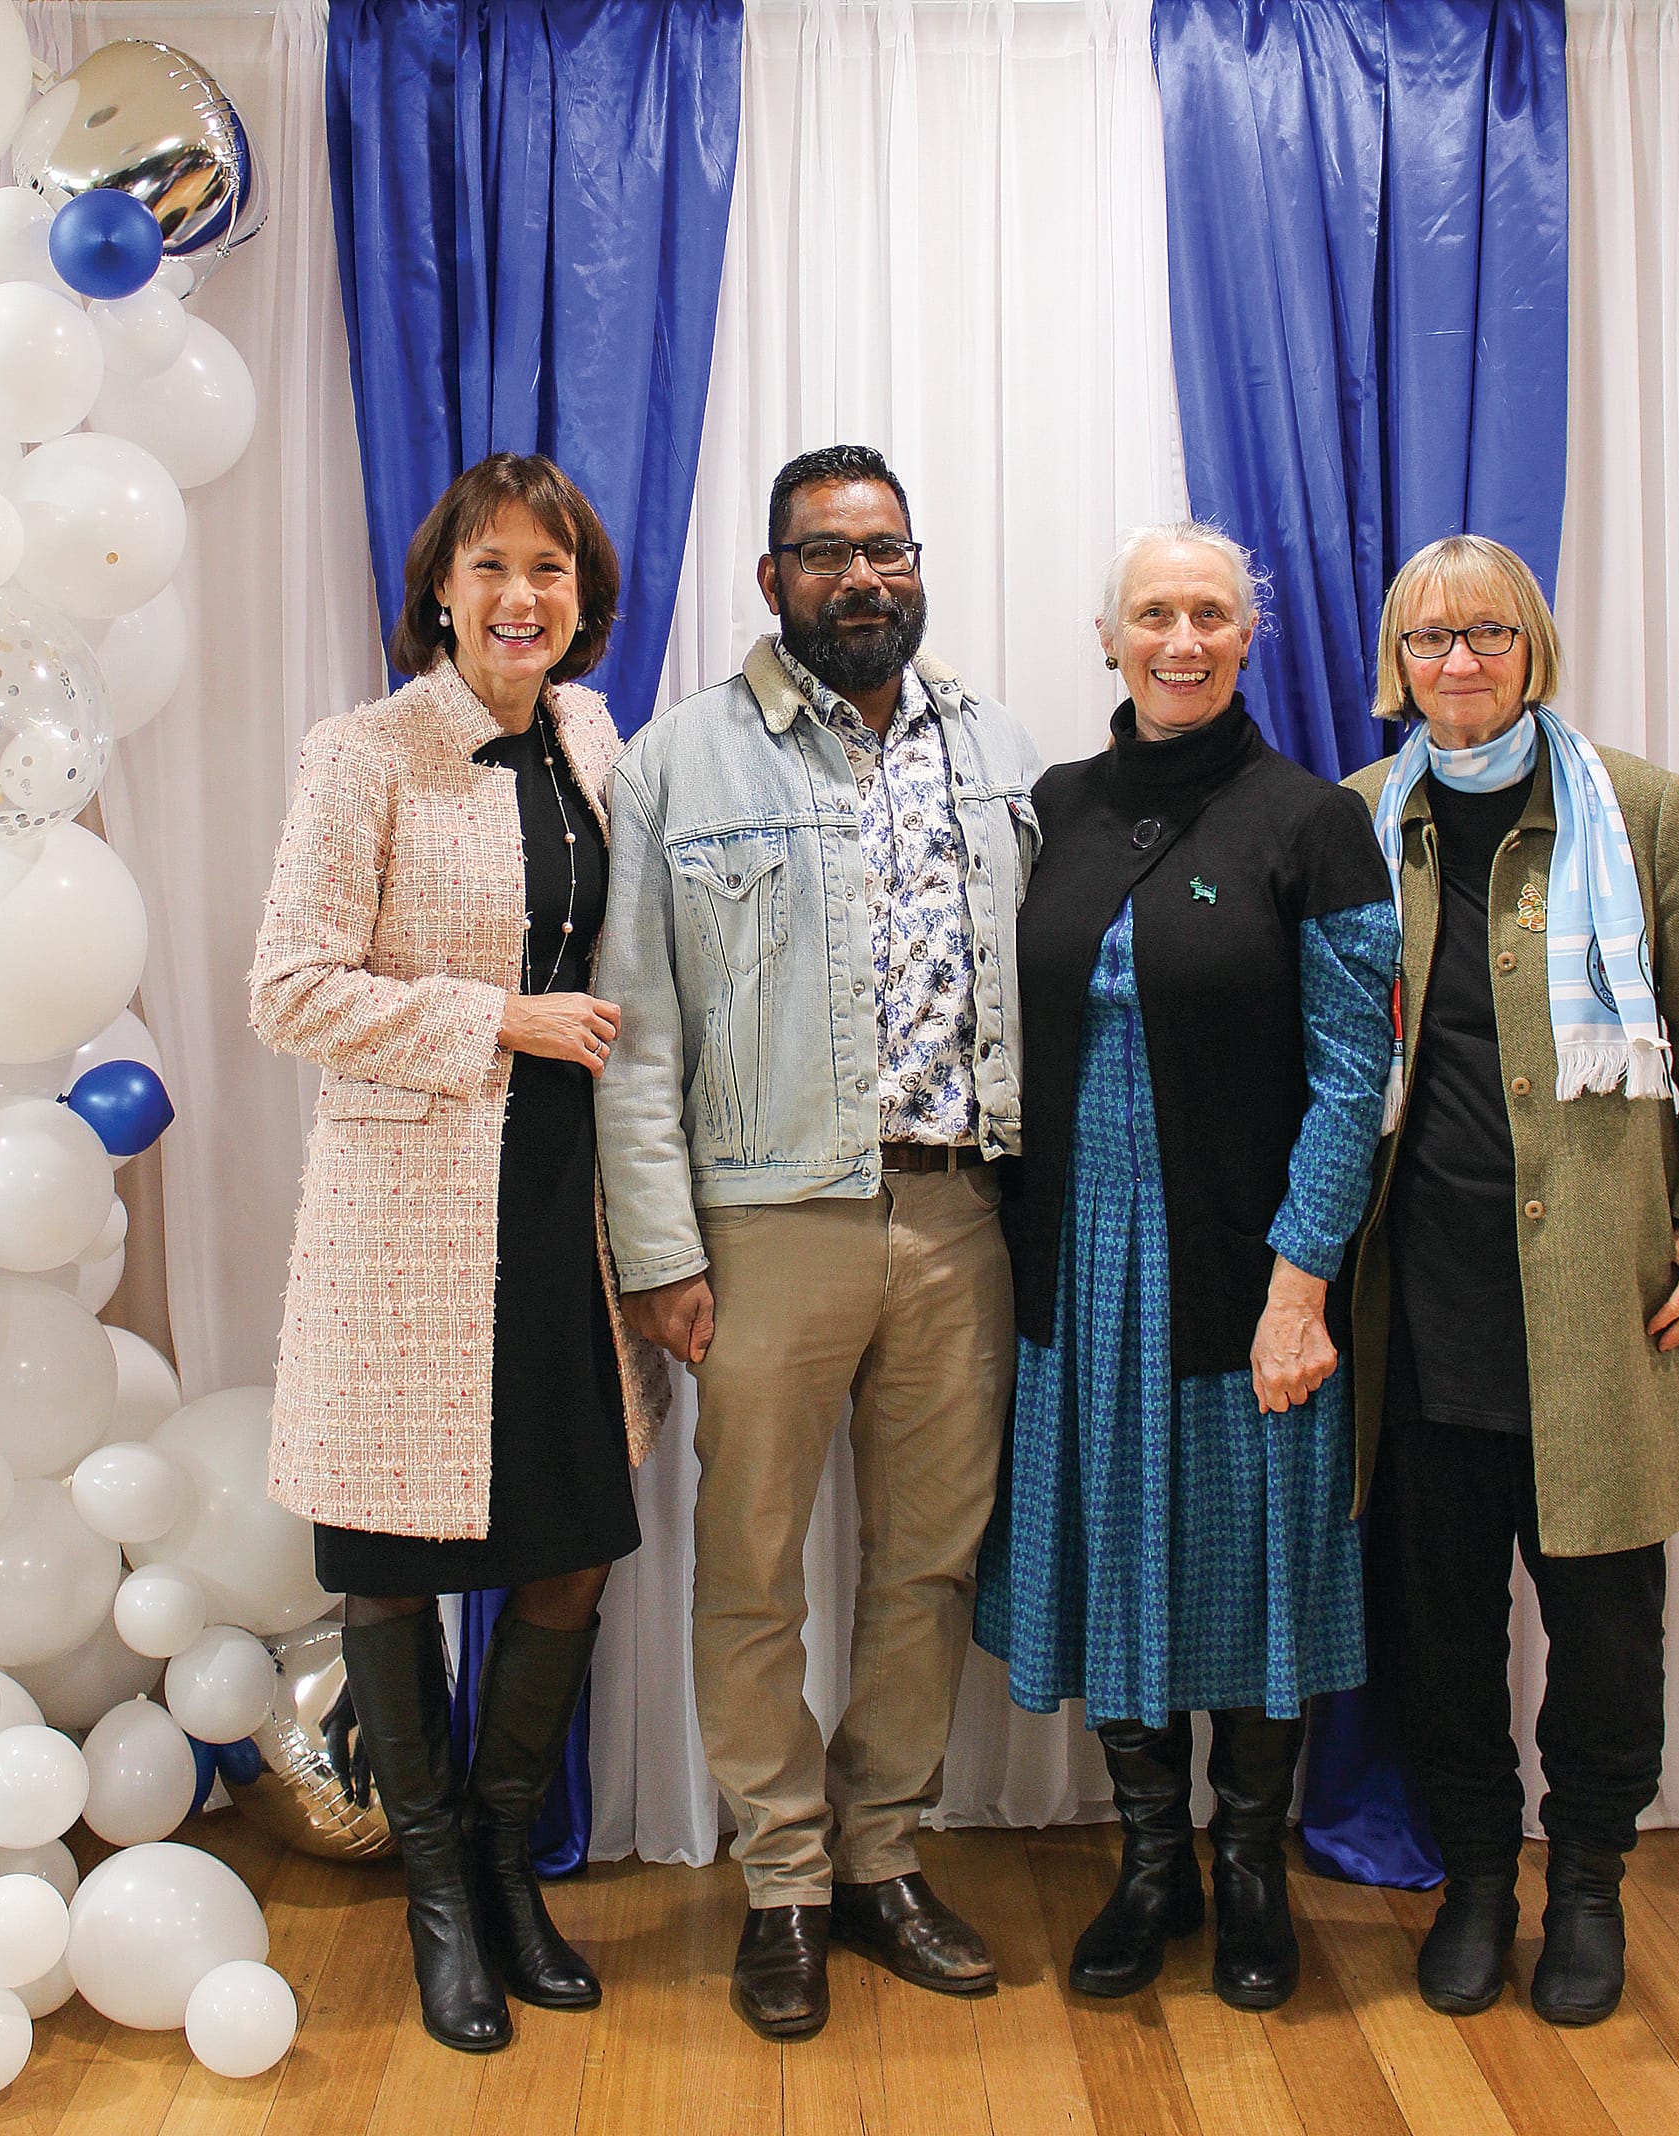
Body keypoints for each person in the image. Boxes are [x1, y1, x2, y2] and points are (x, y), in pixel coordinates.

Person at [596, 444, 1042, 2040]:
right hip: (768, 1217)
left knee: (925, 1561)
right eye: (829, 555)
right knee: (755, 1566)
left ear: (917, 567)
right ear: (773, 579)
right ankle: (781, 1878)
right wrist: (659, 1251)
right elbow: (637, 1037)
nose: (865, 579)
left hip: (956, 1215)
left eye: (890, 552)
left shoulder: (999, 748)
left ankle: (881, 1858)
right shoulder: (675, 766)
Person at [249, 452, 668, 2055]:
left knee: (569, 1545)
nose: (519, 599)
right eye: (491, 567)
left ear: (583, 600)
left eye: (549, 573)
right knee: (393, 1566)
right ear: (442, 586)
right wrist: (494, 1017)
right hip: (412, 1221)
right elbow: (287, 988)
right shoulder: (366, 755)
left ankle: (507, 1863)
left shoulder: (588, 737)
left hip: (567, 1214)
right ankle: (437, 1897)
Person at [977, 522, 1398, 2013]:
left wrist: (1304, 1282)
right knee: (1111, 1557)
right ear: (1111, 636)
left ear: (1248, 636)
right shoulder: (1055, 807)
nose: (1181, 637)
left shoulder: (1310, 821)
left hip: (1248, 1264)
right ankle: (1152, 1864)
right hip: (1074, 1262)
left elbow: (1359, 1074)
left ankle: (1252, 1873)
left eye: (1209, 612)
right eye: (1154, 611)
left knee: (1255, 1568)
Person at [1345, 534, 1679, 2026]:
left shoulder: (1635, 810)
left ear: (1536, 650)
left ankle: (1586, 1884)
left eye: (1491, 636)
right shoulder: (1354, 823)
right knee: (1441, 1631)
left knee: (1602, 1637)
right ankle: (1473, 1879)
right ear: (1398, 665)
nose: (1462, 664)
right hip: (1422, 1315)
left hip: (1604, 1316)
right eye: (1433, 640)